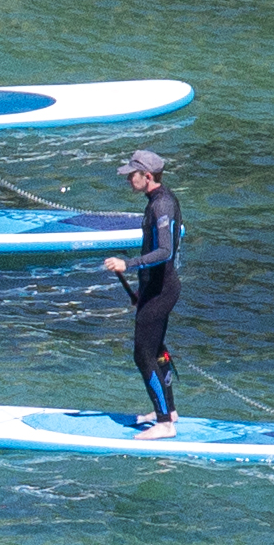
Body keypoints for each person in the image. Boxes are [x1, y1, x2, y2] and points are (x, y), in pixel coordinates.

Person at [114, 147, 183, 432]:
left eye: (133, 174)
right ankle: (169, 412)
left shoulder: (161, 206)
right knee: (155, 350)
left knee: (143, 354)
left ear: (148, 175)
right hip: (154, 288)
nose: (129, 178)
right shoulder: (156, 200)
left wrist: (128, 264)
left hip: (162, 289)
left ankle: (165, 423)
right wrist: (142, 289)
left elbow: (165, 251)